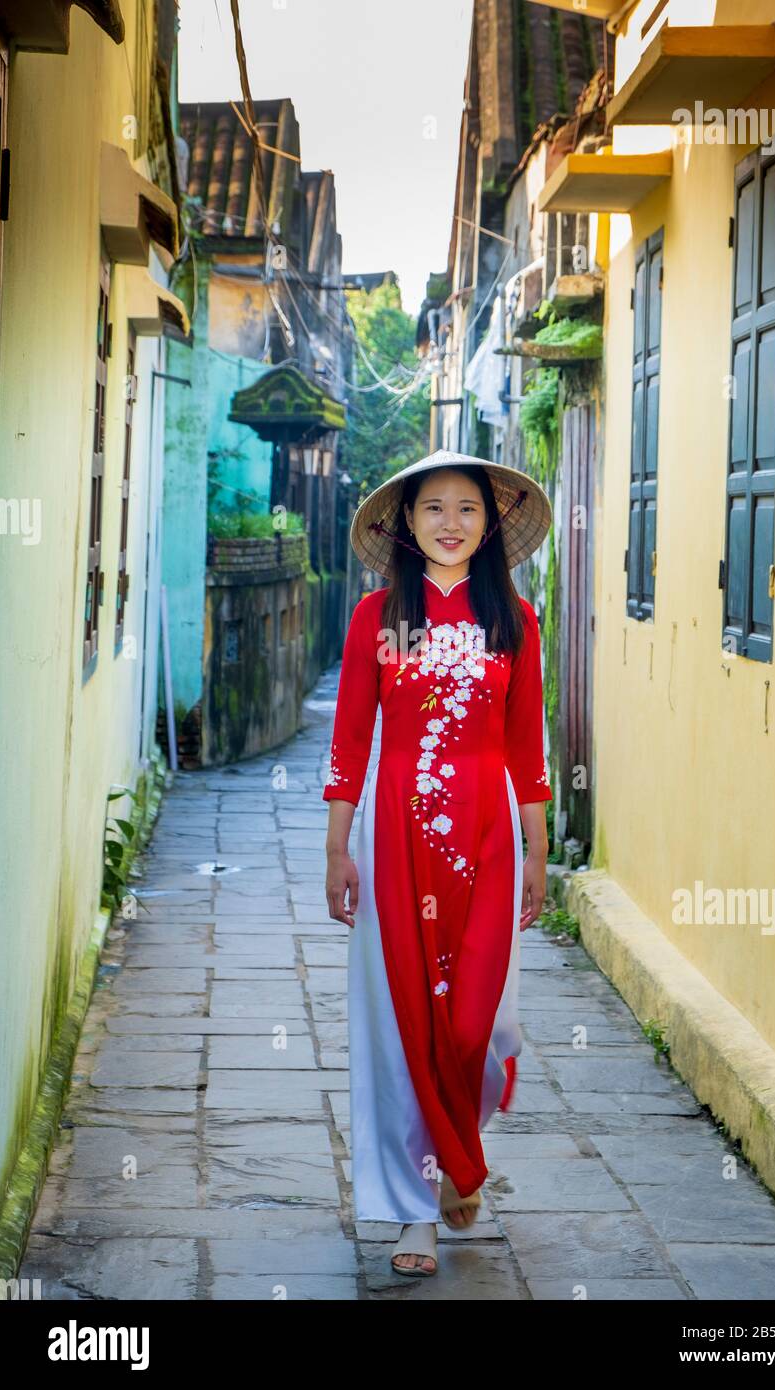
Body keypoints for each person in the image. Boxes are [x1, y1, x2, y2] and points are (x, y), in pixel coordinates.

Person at [323, 448, 553, 1278]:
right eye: (433, 510)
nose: (451, 523)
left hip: (488, 839)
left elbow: (526, 745)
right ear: (406, 527)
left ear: (489, 525)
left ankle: (461, 1146)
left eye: (466, 509)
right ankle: (419, 1207)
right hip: (397, 838)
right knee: (404, 1025)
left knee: (470, 1023)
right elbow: (351, 740)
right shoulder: (377, 619)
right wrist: (335, 847)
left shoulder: (513, 623)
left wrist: (536, 850)